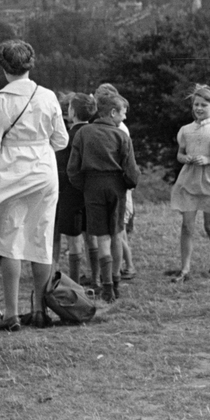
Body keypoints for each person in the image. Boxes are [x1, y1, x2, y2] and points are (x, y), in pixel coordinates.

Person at [0, 40, 68, 330]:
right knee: (41, 238)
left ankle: (10, 314)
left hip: (10, 171)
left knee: (10, 243)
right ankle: (41, 310)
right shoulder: (48, 96)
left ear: (3, 66)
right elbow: (61, 140)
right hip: (43, 168)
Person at [66, 92, 140, 302]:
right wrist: (128, 184)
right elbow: (131, 169)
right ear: (113, 112)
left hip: (92, 187)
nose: (124, 118)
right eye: (123, 113)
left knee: (100, 236)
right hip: (116, 186)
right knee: (117, 233)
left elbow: (73, 168)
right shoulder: (121, 136)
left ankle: (106, 285)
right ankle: (116, 281)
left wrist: (85, 186)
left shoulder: (84, 133)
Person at [167, 84, 210, 282]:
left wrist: (209, 161)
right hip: (189, 181)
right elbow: (180, 154)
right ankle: (185, 268)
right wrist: (185, 158)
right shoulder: (186, 130)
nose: (199, 108)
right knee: (187, 226)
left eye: (204, 104)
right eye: (196, 104)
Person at [94, 83, 137, 281]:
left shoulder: (120, 129)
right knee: (118, 231)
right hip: (119, 185)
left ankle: (123, 268)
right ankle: (120, 270)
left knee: (116, 231)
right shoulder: (117, 127)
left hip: (116, 186)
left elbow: (127, 161)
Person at [54, 93, 97, 283]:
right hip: (91, 191)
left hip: (70, 192)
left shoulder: (66, 138)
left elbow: (61, 167)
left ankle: (74, 282)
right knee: (91, 236)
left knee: (73, 239)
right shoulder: (97, 133)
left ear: (73, 111)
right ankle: (96, 277)